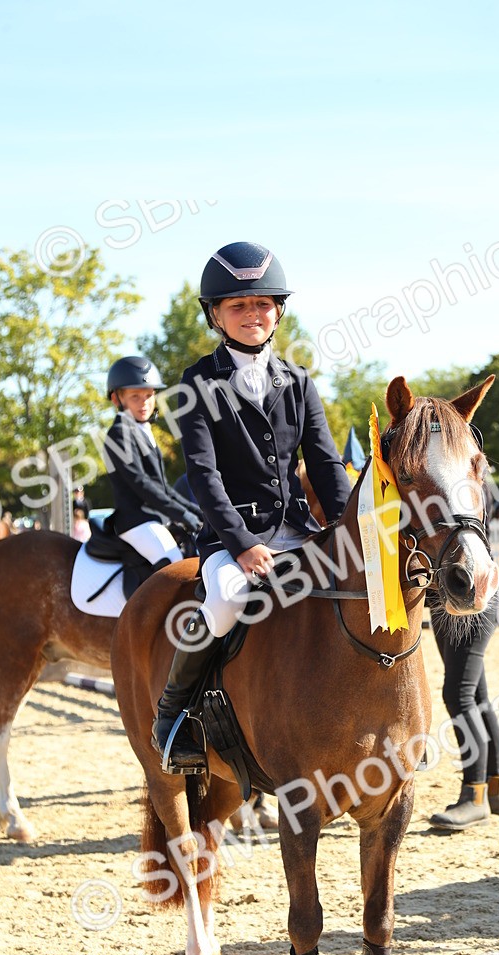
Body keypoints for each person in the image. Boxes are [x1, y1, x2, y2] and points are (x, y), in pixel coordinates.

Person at [151, 241, 351, 771]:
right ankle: (174, 716)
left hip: (301, 531)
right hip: (232, 541)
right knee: (224, 599)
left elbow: (326, 465)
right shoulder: (197, 383)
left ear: (278, 311)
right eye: (238, 305)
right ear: (216, 315)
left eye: (263, 303)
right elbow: (204, 474)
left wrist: (347, 528)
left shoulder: (300, 382)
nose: (252, 314)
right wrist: (241, 545)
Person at [428, 481, 499, 831]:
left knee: (458, 694)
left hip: (470, 595)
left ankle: (474, 795)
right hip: (446, 598)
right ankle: (496, 788)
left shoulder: (463, 484)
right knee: (476, 695)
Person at [102, 356, 203, 566]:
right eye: (135, 396)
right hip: (136, 521)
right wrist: (182, 515)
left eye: (149, 395)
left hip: (155, 517)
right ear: (116, 399)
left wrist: (198, 512)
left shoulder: (143, 431)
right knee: (175, 562)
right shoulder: (119, 434)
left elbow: (163, 488)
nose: (144, 403)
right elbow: (142, 485)